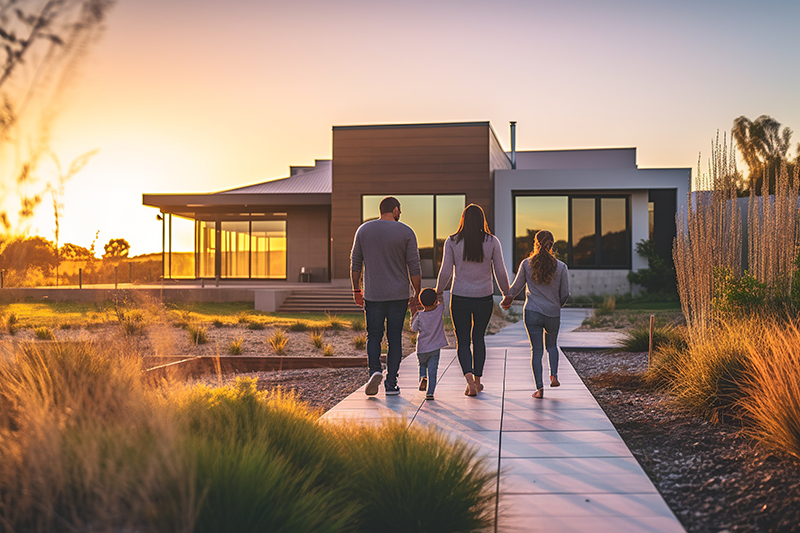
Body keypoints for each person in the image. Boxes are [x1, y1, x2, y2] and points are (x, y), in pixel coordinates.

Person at [436, 204, 510, 396]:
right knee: (478, 338)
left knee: (462, 340)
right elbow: (500, 271)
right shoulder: (492, 241)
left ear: (463, 220)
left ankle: (469, 382)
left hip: (460, 297)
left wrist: (438, 291)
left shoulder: (452, 241)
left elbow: (445, 270)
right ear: (481, 220)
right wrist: (506, 294)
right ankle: (477, 382)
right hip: (483, 297)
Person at [351, 196, 421, 396]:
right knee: (394, 338)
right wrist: (417, 293)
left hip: (373, 294)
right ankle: (391, 383)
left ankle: (374, 371)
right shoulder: (406, 232)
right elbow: (414, 266)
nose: (401, 213)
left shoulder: (363, 230)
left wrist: (356, 290)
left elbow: (355, 263)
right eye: (400, 210)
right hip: (398, 295)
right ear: (396, 210)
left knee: (373, 335)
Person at [501, 230, 569, 399]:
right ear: (552, 245)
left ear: (535, 244)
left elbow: (515, 288)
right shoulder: (561, 267)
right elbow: (565, 294)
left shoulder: (526, 264)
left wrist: (507, 300)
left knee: (536, 350)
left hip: (532, 312)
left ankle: (539, 389)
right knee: (552, 346)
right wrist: (555, 305)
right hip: (552, 313)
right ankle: (554, 375)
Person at [411, 288, 448, 401]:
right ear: (435, 300)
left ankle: (423, 378)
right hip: (434, 348)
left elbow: (414, 328)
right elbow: (441, 301)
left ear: (421, 302)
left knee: (422, 365)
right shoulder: (439, 310)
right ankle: (430, 393)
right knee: (432, 371)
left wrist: (413, 313)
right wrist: (439, 294)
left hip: (422, 348)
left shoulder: (419, 315)